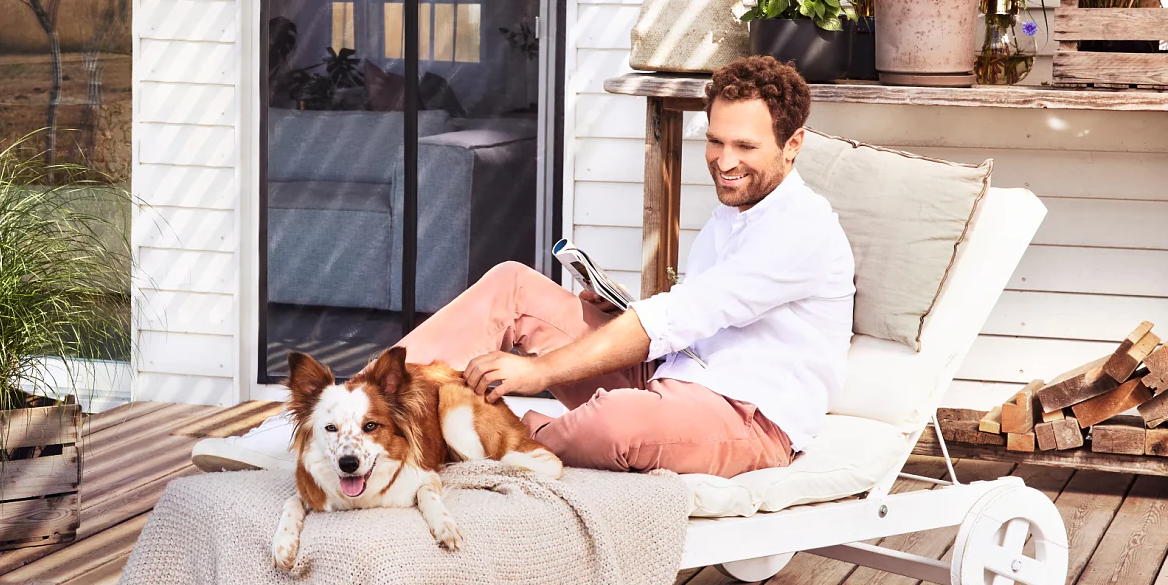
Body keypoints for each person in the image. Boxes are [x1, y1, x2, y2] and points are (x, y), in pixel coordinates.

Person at [192, 55, 854, 477]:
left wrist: (539, 371)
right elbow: (680, 327)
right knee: (514, 284)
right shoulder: (732, 212)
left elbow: (682, 314)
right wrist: (604, 318)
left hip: (745, 417)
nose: (723, 159)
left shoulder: (802, 230)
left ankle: (471, 435)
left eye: (744, 145)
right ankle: (334, 415)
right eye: (713, 140)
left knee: (619, 422)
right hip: (671, 374)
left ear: (792, 146)